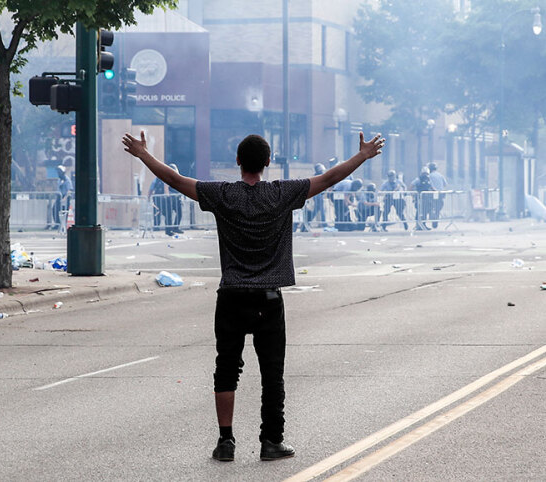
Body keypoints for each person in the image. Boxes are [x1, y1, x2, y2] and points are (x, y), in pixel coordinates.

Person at [121, 130, 385, 462]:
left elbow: (175, 179)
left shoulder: (222, 194)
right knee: (272, 373)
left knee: (226, 369)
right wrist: (362, 155)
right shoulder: (282, 193)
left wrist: (144, 155)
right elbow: (329, 178)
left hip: (231, 295)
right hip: (268, 299)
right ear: (268, 162)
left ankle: (226, 441)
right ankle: (272, 441)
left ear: (237, 161)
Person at [302, 163, 328, 229]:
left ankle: (308, 222)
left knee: (317, 209)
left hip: (318, 194)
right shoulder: (318, 176)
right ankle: (323, 223)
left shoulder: (318, 175)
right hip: (317, 195)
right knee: (321, 209)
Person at [52, 166, 73, 230]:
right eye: (58, 172)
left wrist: (64, 198)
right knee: (55, 209)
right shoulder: (59, 180)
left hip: (65, 197)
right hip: (59, 197)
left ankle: (63, 225)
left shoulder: (67, 180)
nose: (58, 173)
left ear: (63, 172)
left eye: (60, 172)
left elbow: (69, 191)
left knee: (64, 212)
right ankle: (57, 224)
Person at [427, 162, 447, 228]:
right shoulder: (440, 175)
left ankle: (433, 217)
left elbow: (429, 184)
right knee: (438, 208)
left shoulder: (429, 176)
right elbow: (445, 184)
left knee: (431, 206)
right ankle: (435, 221)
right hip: (440, 194)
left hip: (432, 194)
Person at [167, 164, 184, 234]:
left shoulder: (177, 178)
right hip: (171, 198)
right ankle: (169, 229)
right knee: (169, 215)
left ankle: (175, 228)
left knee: (179, 213)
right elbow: (167, 188)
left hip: (177, 198)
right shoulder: (167, 178)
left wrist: (181, 196)